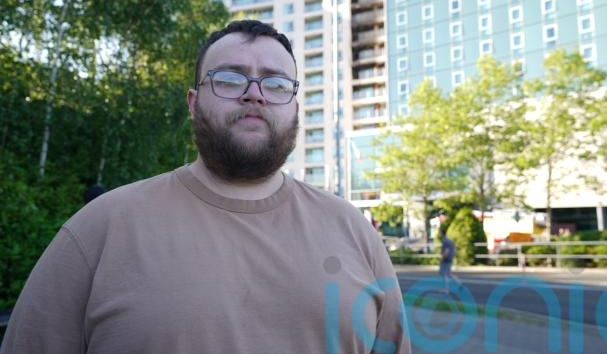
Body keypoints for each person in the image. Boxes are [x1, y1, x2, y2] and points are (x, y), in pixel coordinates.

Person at [1, 20, 410, 354]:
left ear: (295, 109)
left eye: (276, 84)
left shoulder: (354, 231)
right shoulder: (99, 229)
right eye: (230, 79)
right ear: (193, 103)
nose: (254, 95)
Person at [439, 226, 459, 294]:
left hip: (446, 259)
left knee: (444, 274)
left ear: (442, 233)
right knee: (448, 273)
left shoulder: (444, 241)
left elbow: (446, 251)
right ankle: (458, 283)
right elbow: (454, 250)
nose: (439, 234)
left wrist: (442, 259)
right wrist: (453, 257)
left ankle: (446, 289)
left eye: (440, 233)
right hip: (450, 258)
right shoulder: (450, 241)